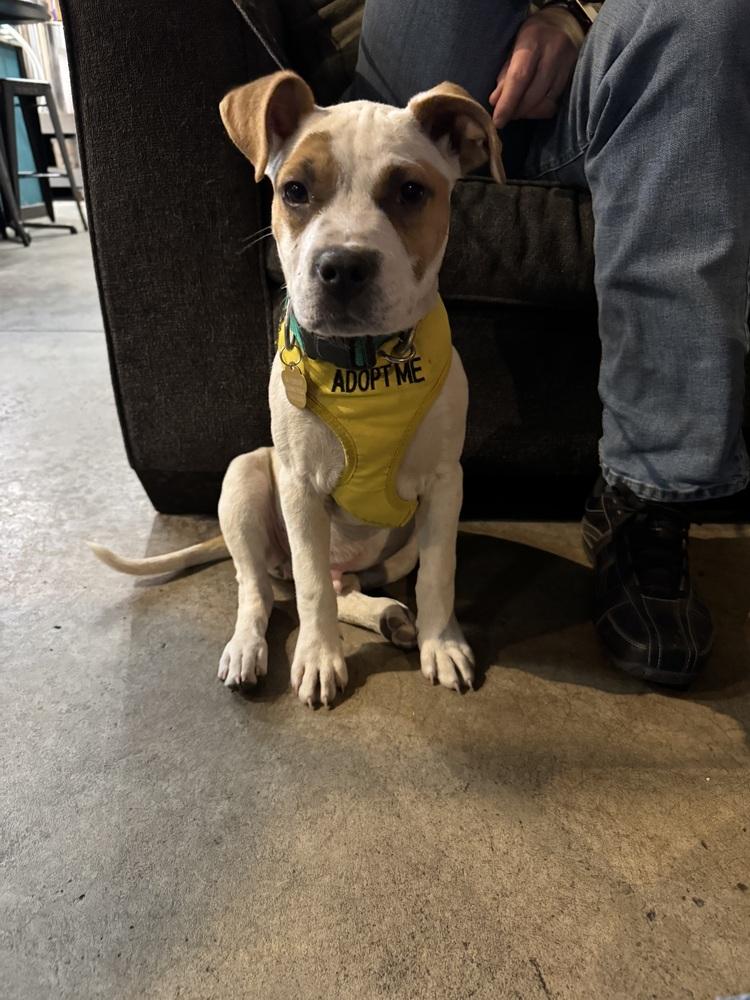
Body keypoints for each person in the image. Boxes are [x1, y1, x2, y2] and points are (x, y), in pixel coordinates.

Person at [347, 0, 750, 687]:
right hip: (424, 61)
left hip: (588, 83)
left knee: (701, 11)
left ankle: (644, 499)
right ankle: (375, 181)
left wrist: (573, 22)